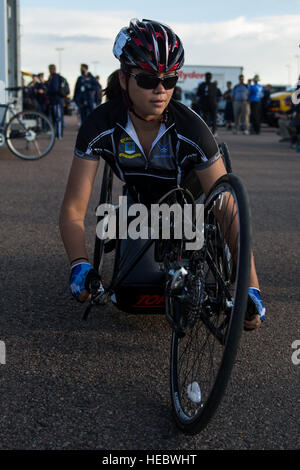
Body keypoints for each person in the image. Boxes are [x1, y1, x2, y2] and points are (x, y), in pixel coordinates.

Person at [59, 18, 266, 330]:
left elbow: (229, 212)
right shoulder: (99, 126)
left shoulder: (192, 127)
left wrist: (251, 285)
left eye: (169, 81)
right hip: (140, 200)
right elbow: (74, 209)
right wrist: (79, 263)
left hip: (189, 195)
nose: (160, 90)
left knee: (217, 204)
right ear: (124, 79)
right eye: (147, 80)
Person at [196, 72, 218, 136]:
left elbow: (217, 95)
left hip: (212, 105)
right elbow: (198, 94)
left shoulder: (213, 85)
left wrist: (215, 102)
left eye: (209, 77)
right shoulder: (202, 85)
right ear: (205, 77)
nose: (208, 78)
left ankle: (214, 132)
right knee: (205, 118)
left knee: (214, 118)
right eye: (207, 77)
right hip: (205, 104)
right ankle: (205, 132)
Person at [47, 64, 64, 139]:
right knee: (55, 118)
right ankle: (57, 134)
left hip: (56, 101)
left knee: (58, 118)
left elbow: (55, 89)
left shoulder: (55, 77)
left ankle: (59, 134)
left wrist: (47, 90)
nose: (50, 70)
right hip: (54, 101)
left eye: (51, 69)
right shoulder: (52, 77)